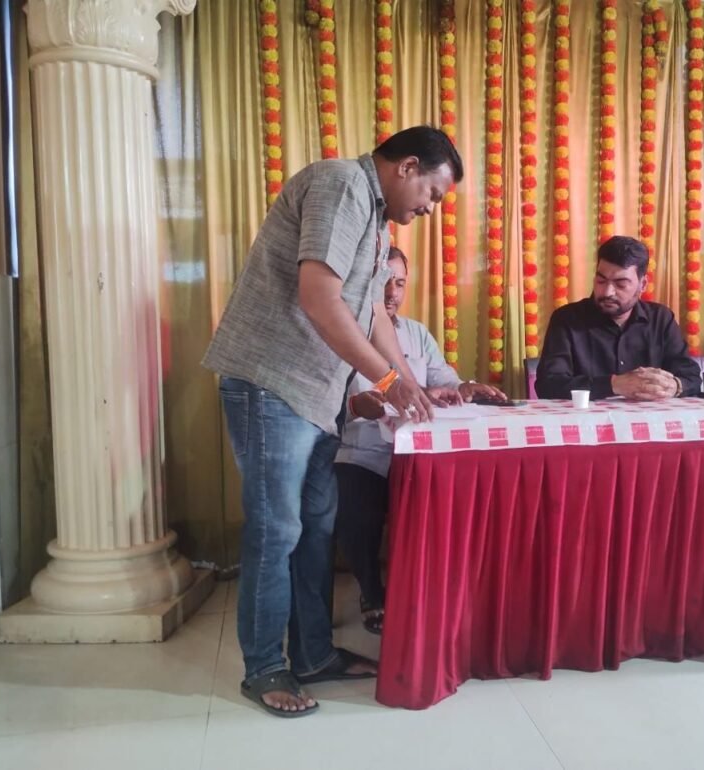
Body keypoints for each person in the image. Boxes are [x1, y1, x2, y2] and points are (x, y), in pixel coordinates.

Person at [201, 126, 463, 717]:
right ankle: (264, 666)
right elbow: (320, 298)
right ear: (407, 166)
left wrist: (411, 387)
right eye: (432, 193)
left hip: (318, 397)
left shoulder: (376, 221)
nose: (430, 208)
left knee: (316, 529)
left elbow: (373, 316)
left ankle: (314, 653)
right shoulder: (342, 184)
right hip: (272, 382)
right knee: (277, 530)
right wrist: (391, 384)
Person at [335, 247, 505, 635]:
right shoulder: (340, 334)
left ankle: (445, 592)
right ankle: (372, 593)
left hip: (418, 453)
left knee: (464, 495)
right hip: (361, 453)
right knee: (356, 507)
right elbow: (321, 404)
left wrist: (464, 387)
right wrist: (358, 406)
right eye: (384, 282)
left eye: (399, 283)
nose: (392, 292)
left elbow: (443, 380)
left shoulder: (416, 333)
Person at [535, 235, 701, 400]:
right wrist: (614, 384)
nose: (607, 292)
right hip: (588, 417)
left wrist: (675, 386)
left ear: (642, 284)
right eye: (601, 281)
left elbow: (691, 376)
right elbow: (548, 386)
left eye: (620, 284)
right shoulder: (567, 319)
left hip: (650, 416)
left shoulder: (661, 319)